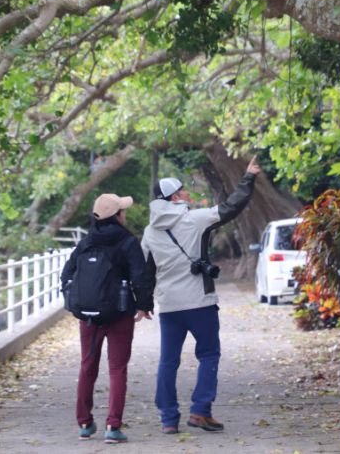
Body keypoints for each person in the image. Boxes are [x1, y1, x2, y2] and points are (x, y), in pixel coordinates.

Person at [141, 156, 262, 434]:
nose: (187, 194)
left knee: (168, 361)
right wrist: (249, 176)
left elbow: (146, 271)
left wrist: (144, 304)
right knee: (209, 355)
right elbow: (232, 207)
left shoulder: (149, 232)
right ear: (173, 197)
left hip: (169, 306)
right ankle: (200, 411)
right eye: (182, 191)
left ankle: (168, 419)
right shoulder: (194, 220)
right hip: (199, 303)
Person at [60, 193, 154, 443]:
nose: (125, 214)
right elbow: (139, 276)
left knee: (87, 365)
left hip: (89, 316)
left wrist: (78, 302)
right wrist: (144, 306)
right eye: (123, 211)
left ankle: (84, 423)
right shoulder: (127, 241)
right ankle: (113, 427)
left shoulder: (86, 242)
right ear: (117, 216)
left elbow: (66, 275)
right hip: (120, 314)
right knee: (117, 369)